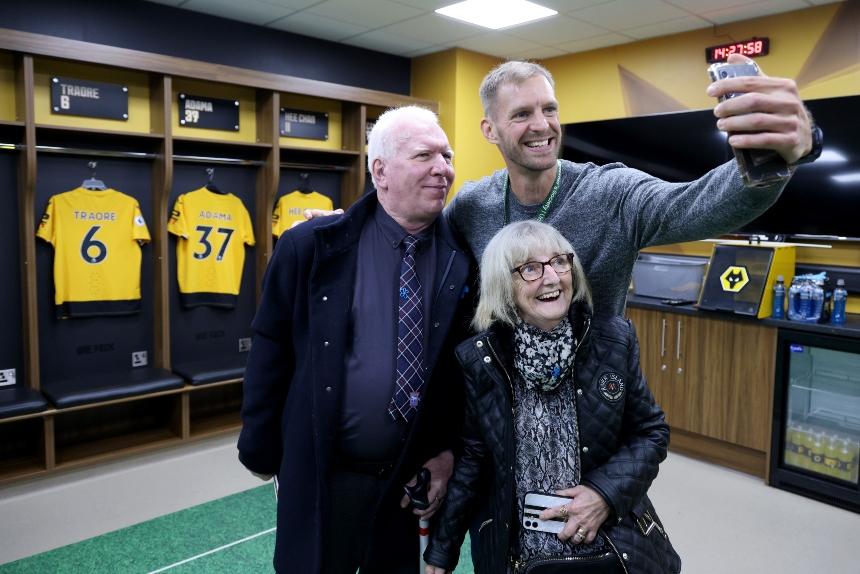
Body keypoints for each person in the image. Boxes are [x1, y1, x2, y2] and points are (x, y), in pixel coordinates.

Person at [237, 105, 474, 573]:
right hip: (326, 473)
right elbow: (270, 351)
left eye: (446, 155)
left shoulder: (462, 259)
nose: (442, 168)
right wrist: (261, 452)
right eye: (424, 155)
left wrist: (447, 453)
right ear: (379, 171)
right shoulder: (312, 246)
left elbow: (458, 376)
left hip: (407, 485)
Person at [446, 55, 819, 317]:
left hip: (593, 407)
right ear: (489, 130)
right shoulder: (472, 206)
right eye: (522, 114)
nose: (543, 125)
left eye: (550, 109)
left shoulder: (610, 193)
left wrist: (786, 152)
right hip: (498, 407)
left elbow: (696, 205)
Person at [423, 220, 681, 574]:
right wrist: (442, 550)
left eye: (560, 262)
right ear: (504, 285)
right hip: (520, 554)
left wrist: (604, 494)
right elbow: (474, 458)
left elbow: (651, 431)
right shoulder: (480, 359)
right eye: (530, 268)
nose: (551, 278)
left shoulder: (613, 340)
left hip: (606, 543)